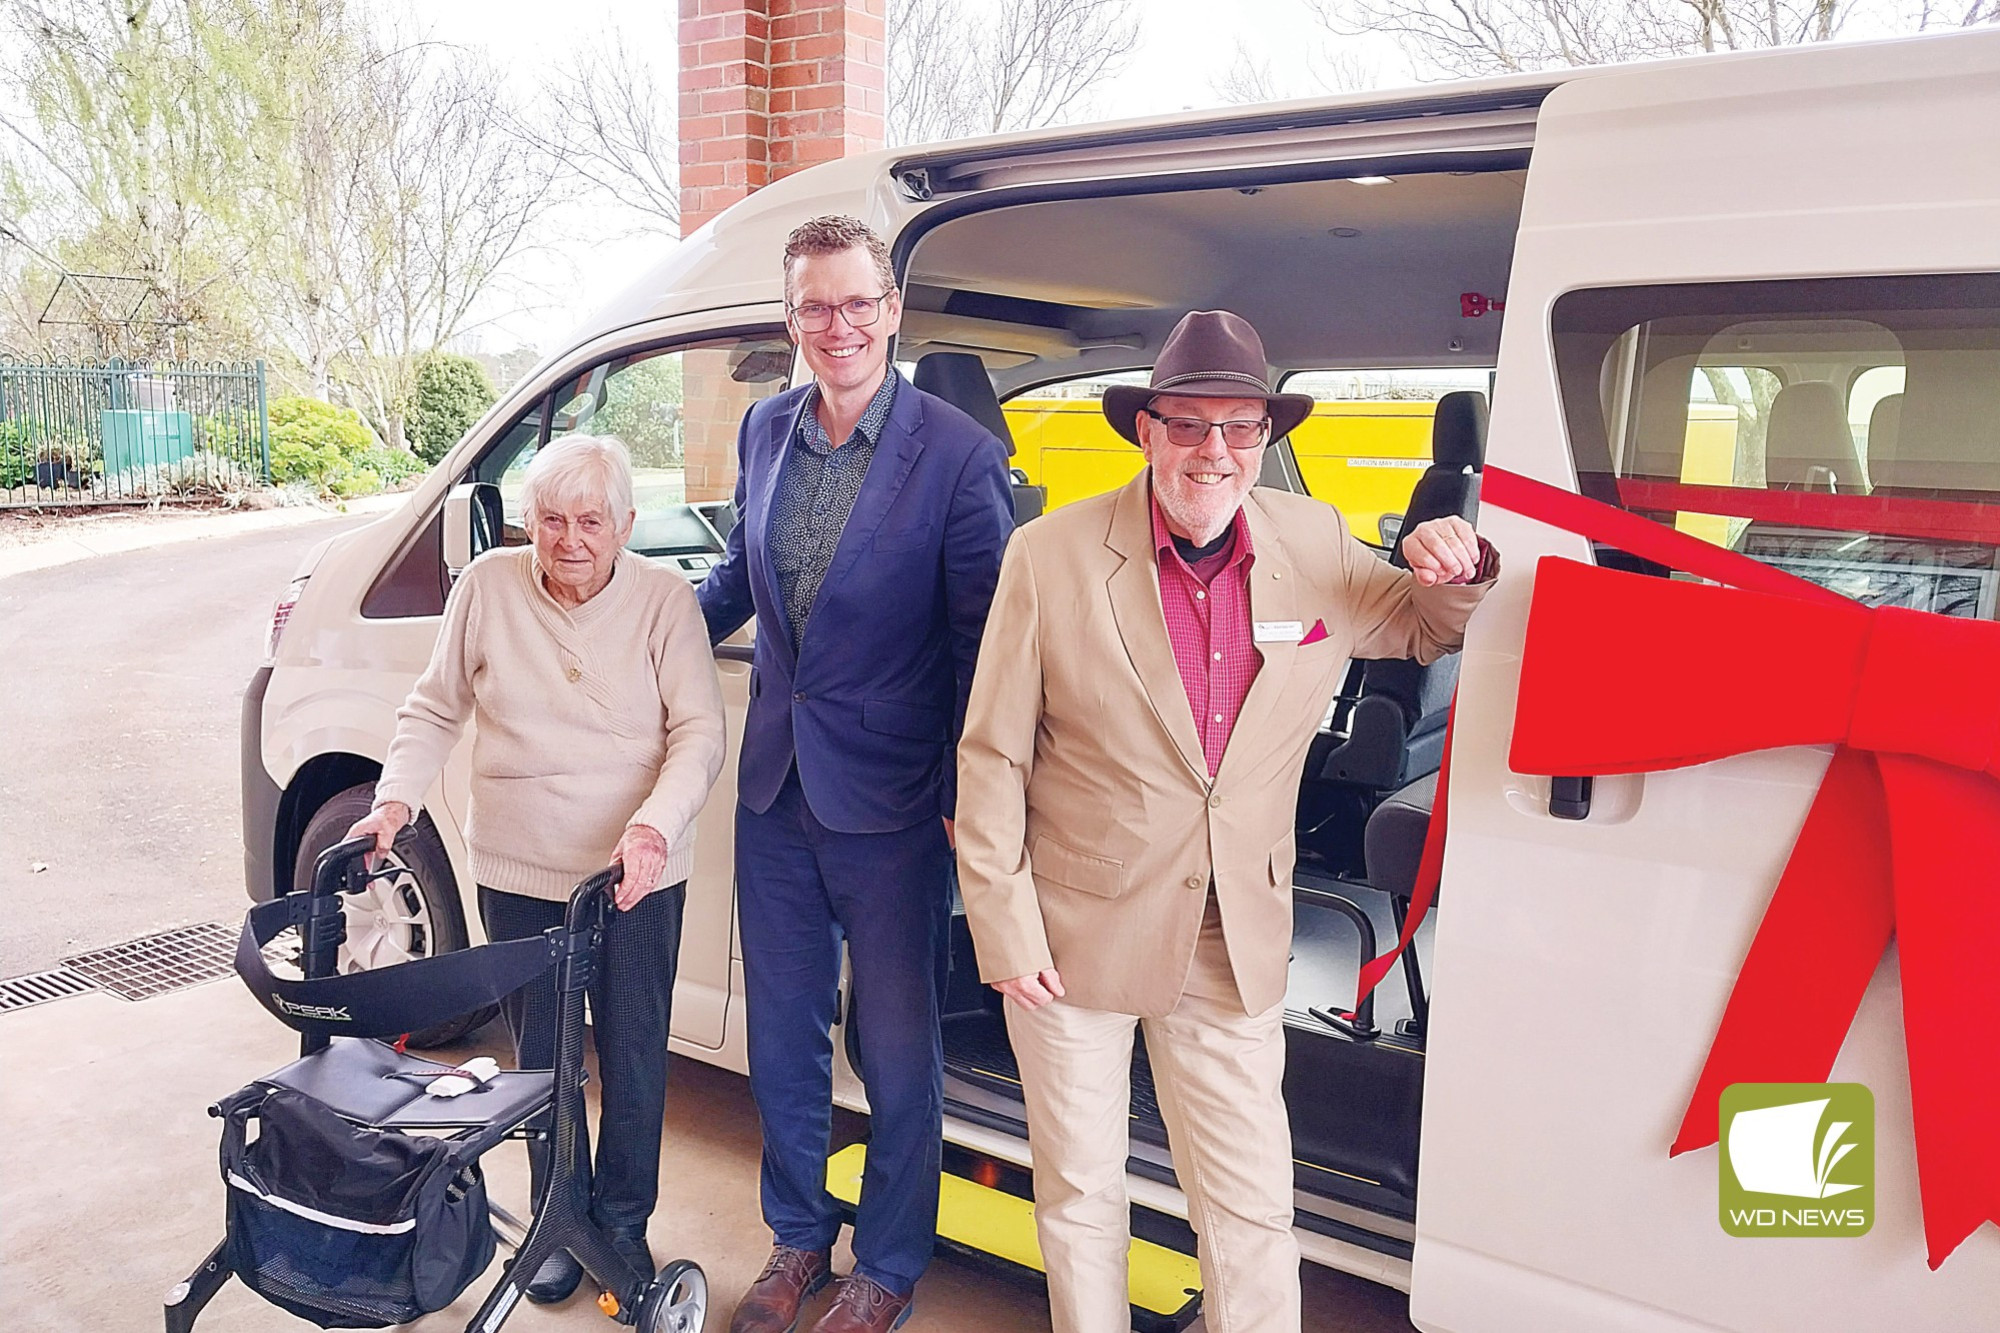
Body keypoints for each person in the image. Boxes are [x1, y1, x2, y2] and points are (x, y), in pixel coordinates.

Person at [954, 310, 1499, 1333]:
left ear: (1262, 436)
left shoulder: (1313, 539)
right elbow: (991, 754)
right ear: (1146, 429)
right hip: (1068, 939)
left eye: (1239, 427)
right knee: (1081, 1196)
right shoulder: (1051, 554)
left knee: (1249, 1204)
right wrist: (1003, 924)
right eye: (1189, 424)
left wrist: (1456, 561)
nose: (1214, 450)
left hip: (1228, 935)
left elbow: (1422, 625)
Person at [698, 215, 1014, 1333]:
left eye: (854, 303)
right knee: (779, 1033)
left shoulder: (957, 455)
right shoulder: (762, 428)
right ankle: (796, 1239)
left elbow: (984, 649)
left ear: (891, 310)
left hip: (891, 804)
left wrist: (960, 802)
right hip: (775, 786)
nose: (836, 326)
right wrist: (631, 629)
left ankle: (885, 1262)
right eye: (812, 308)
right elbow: (739, 574)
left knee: (894, 1047)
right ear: (792, 321)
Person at [349, 434, 726, 1305]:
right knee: (540, 1063)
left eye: (591, 520)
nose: (569, 540)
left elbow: (697, 735)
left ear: (626, 524)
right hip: (519, 866)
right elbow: (435, 704)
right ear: (528, 522)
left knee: (633, 1057)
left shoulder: (665, 602)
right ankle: (558, 1211)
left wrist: (652, 828)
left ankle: (620, 1221)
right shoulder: (486, 587)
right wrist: (396, 798)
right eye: (551, 519)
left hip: (636, 871)